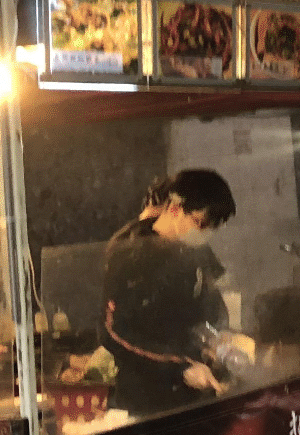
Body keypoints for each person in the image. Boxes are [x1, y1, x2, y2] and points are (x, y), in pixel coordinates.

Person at [100, 168, 240, 417]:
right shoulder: (132, 251)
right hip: (145, 403)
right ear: (175, 210)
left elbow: (210, 303)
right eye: (202, 224)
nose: (206, 233)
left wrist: (216, 338)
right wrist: (179, 368)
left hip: (192, 396)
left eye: (213, 227)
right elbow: (114, 332)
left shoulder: (196, 249)